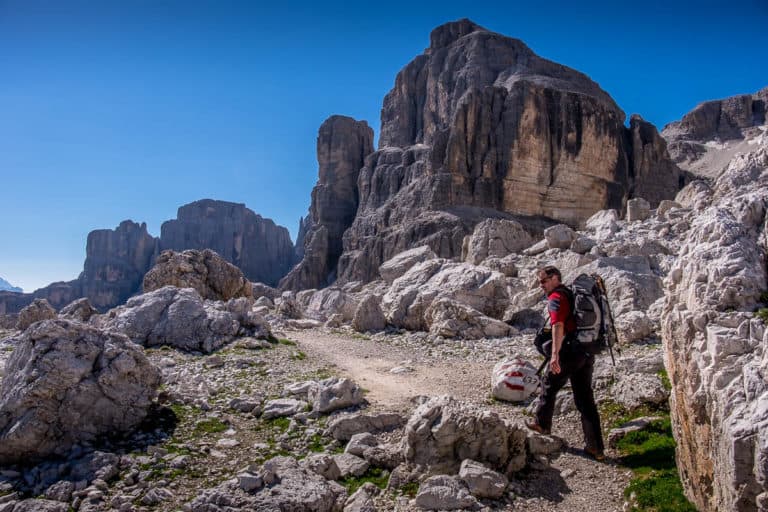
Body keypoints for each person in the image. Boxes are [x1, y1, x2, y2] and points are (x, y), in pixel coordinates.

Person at [526, 265, 605, 461]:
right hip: (585, 351)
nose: (541, 285)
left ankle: (542, 424)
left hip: (569, 351)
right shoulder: (571, 293)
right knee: (585, 398)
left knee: (549, 385)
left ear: (555, 278)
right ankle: (596, 447)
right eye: (539, 282)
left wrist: (554, 355)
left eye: (543, 281)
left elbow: (558, 325)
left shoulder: (556, 298)